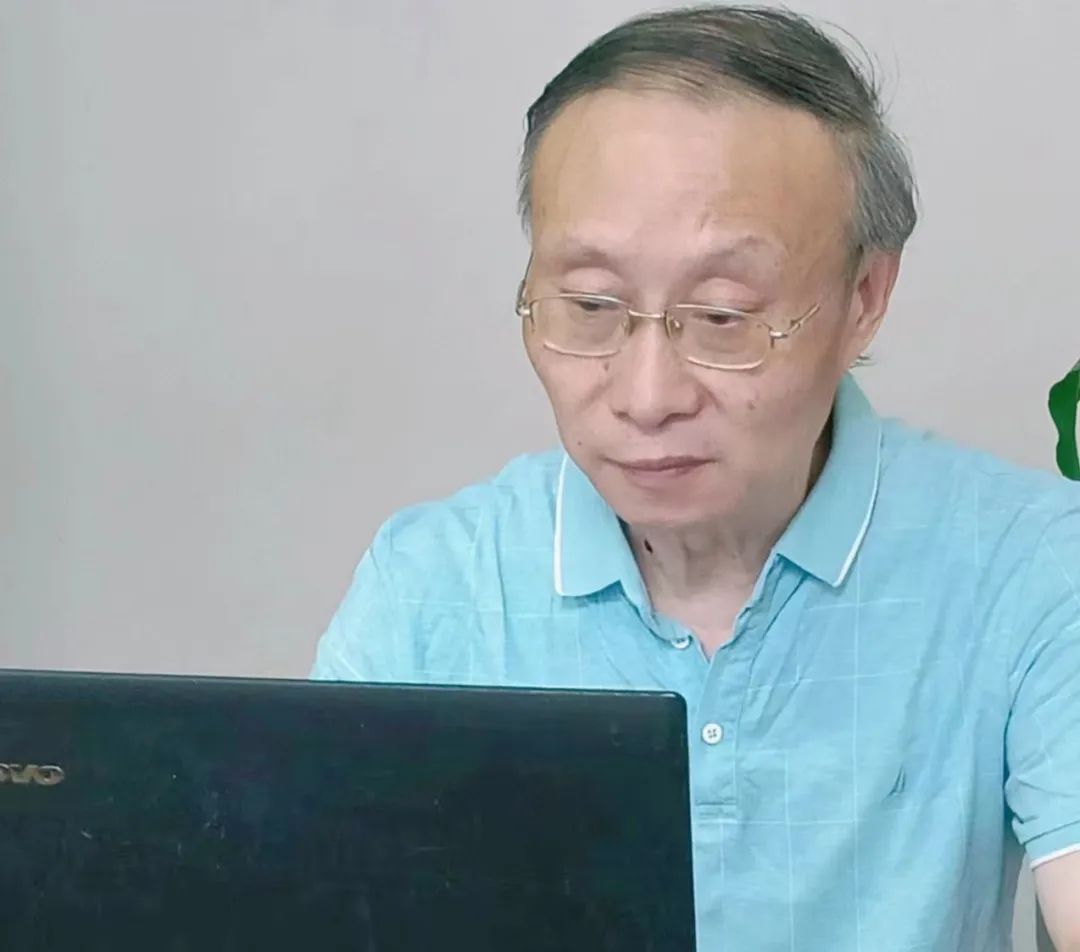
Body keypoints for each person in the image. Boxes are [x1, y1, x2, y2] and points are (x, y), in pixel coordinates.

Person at [312, 5, 1080, 949]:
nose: (647, 397)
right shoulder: (431, 588)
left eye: (722, 318)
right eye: (590, 305)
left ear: (863, 298)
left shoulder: (1031, 567)